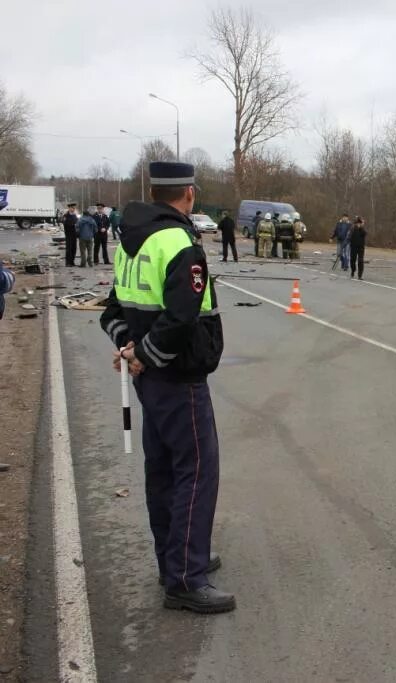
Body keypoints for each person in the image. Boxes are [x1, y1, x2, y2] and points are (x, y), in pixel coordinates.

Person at [99, 161, 234, 614]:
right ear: (189, 194)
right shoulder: (179, 242)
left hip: (150, 380)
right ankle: (185, 579)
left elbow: (113, 311)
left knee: (163, 472)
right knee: (196, 474)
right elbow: (180, 319)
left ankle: (173, 561)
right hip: (179, 380)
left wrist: (130, 349)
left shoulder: (130, 242)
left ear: (154, 191)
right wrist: (145, 355)